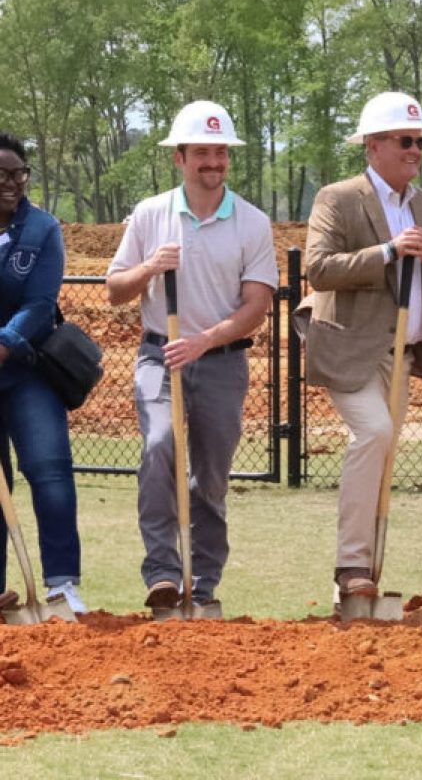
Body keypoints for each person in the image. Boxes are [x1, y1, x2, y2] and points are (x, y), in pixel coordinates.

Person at [106, 101, 277, 611]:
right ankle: (162, 573)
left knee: (211, 475)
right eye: (202, 152)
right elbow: (115, 288)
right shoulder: (150, 215)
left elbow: (257, 306)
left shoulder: (251, 221)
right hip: (160, 356)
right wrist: (150, 269)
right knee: (159, 445)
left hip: (222, 360)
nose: (214, 162)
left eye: (220, 152)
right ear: (179, 158)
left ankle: (201, 584)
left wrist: (205, 340)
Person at [300, 92, 422, 600]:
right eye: (405, 140)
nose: (415, 150)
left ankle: (361, 583)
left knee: (385, 451)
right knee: (373, 434)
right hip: (349, 350)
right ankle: (351, 566)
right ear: (373, 146)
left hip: (402, 354)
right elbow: (319, 269)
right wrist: (390, 251)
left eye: (419, 142)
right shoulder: (339, 198)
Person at [0, 132, 85, 614]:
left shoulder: (42, 229)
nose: (13, 183)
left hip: (28, 368)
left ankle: (61, 584)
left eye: (20, 174)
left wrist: (4, 344)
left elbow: (39, 303)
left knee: (49, 471)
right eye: (2, 175)